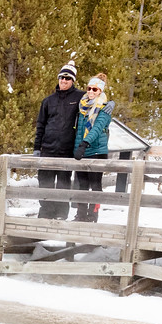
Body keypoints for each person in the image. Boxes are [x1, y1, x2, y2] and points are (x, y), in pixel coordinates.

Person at [32, 62, 84, 218]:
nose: (64, 81)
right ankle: (46, 213)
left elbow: (96, 99)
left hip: (66, 150)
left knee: (63, 183)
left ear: (72, 80)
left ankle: (61, 213)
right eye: (62, 77)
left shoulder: (79, 97)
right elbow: (40, 124)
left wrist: (108, 103)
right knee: (45, 182)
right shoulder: (49, 100)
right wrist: (37, 147)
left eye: (67, 78)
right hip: (47, 148)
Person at [72, 73, 114, 222]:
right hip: (81, 151)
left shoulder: (104, 109)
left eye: (94, 90)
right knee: (82, 185)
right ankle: (81, 214)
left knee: (95, 185)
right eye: (89, 88)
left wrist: (84, 144)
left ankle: (93, 215)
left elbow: (96, 129)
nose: (90, 92)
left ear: (100, 92)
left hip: (96, 151)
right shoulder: (82, 106)